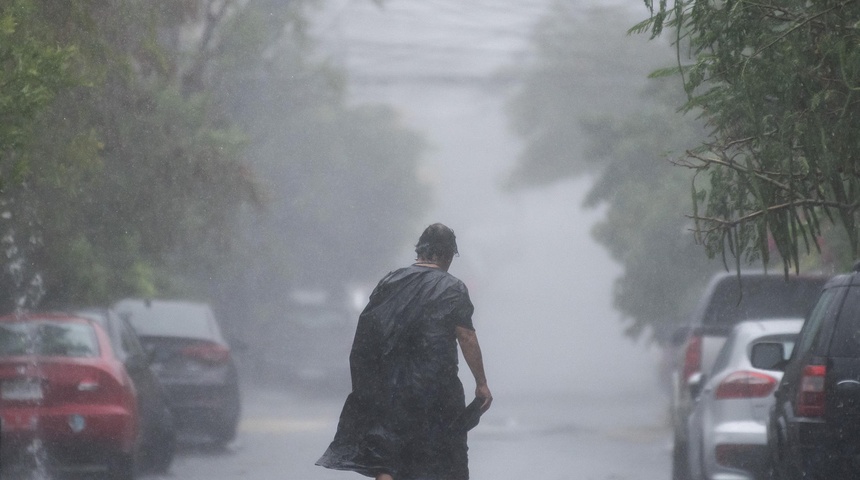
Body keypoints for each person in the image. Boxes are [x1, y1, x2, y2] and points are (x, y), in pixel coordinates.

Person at [316, 223, 492, 480]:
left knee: (389, 457)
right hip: (438, 391)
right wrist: (481, 383)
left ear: (419, 251)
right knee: (447, 457)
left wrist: (366, 388)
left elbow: (365, 337)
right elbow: (466, 337)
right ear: (447, 255)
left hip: (392, 390)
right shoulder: (453, 288)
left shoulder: (389, 282)